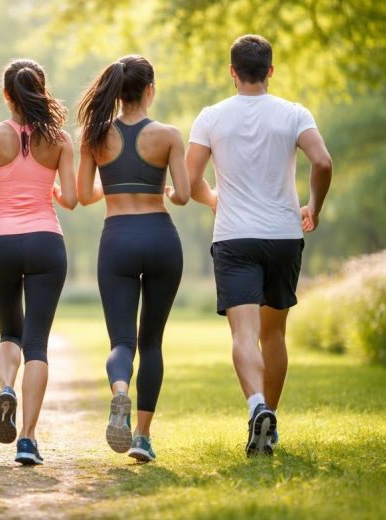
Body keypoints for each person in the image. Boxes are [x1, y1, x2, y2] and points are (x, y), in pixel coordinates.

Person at [186, 34, 332, 456]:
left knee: (244, 334)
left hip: (235, 237)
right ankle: (270, 419)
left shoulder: (211, 117)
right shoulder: (295, 113)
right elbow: (322, 162)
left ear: (232, 72)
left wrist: (213, 199)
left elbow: (190, 180)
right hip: (284, 235)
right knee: (274, 334)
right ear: (270, 71)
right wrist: (313, 207)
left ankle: (256, 408)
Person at [76, 55, 189, 463]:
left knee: (122, 342)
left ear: (117, 91)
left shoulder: (94, 136)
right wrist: (168, 190)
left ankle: (120, 392)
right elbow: (183, 194)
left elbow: (84, 195)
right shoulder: (168, 136)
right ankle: (141, 437)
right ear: (149, 91)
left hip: (117, 239)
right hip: (161, 238)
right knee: (151, 341)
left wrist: (111, 185)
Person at [0, 59, 77, 465]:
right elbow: (71, 199)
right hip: (46, 242)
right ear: (41, 91)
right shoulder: (60, 139)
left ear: (6, 94)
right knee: (37, 344)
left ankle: (6, 387)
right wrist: (47, 189)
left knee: (8, 332)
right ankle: (27, 439)